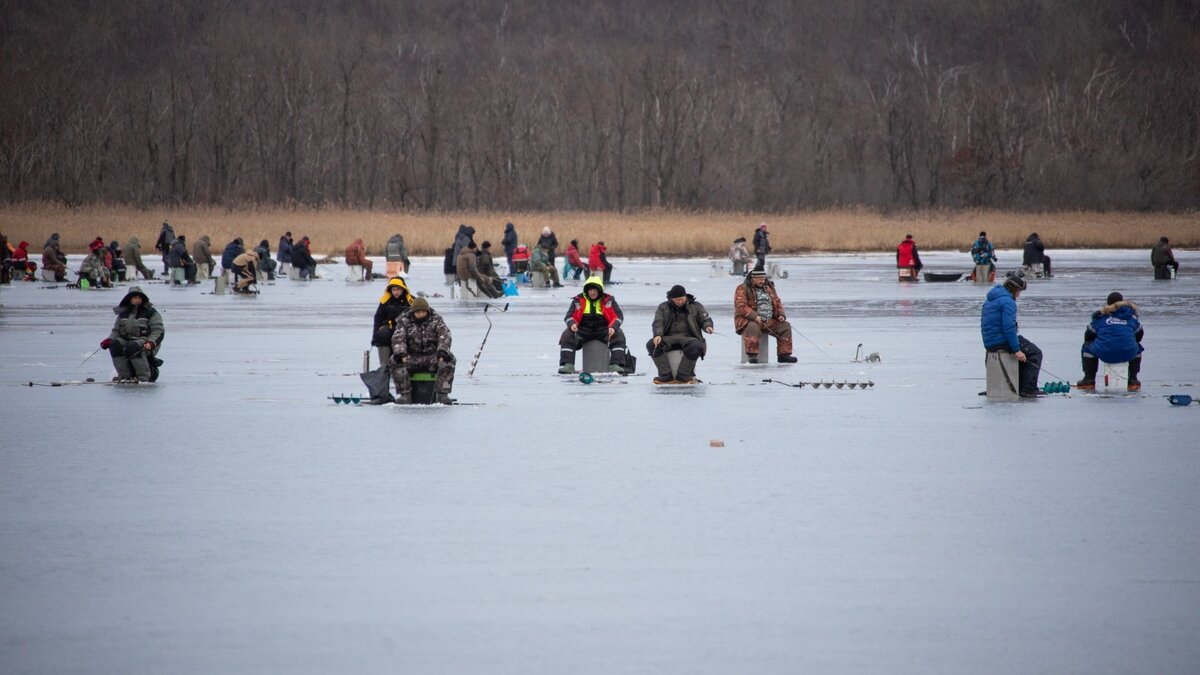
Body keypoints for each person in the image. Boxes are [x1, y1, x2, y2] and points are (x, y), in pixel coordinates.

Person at [981, 274, 1042, 398]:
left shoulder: (991, 299)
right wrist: (1017, 350)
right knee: (1035, 353)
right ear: (1014, 290)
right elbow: (1009, 328)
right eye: (1019, 291)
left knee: (1023, 346)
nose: (1019, 295)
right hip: (1001, 341)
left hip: (989, 342)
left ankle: (1018, 384)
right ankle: (1028, 389)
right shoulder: (1008, 301)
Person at [390, 297, 456, 405]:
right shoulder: (404, 321)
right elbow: (398, 338)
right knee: (394, 360)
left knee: (450, 359)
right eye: (418, 312)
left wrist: (442, 352)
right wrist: (401, 353)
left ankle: (442, 394)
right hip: (412, 357)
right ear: (413, 312)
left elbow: (444, 336)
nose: (421, 314)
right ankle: (405, 395)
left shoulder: (436, 319)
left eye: (423, 312)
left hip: (432, 357)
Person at [558, 276, 629, 374]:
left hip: (604, 331)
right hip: (583, 331)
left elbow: (619, 316)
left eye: (594, 290)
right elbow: (569, 316)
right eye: (590, 290)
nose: (592, 292)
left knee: (619, 334)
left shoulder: (609, 299)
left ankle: (616, 365)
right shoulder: (578, 300)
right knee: (567, 333)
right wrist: (572, 324)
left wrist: (613, 327)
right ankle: (567, 365)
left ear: (599, 290)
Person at [647, 285, 714, 384]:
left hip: (689, 338)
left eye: (682, 299)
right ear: (672, 299)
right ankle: (666, 375)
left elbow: (705, 319)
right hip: (668, 338)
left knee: (697, 346)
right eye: (677, 300)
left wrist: (708, 326)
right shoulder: (663, 307)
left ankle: (683, 375)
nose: (680, 302)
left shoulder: (696, 306)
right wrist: (657, 335)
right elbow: (658, 322)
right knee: (651, 344)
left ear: (685, 297)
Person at [1076, 292, 1143, 391]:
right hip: (1128, 352)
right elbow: (1139, 334)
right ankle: (1133, 380)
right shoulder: (1131, 317)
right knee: (1138, 348)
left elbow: (1089, 334)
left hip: (1104, 352)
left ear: (1108, 303)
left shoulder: (1101, 317)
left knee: (1086, 348)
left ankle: (1089, 380)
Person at [734, 266, 798, 364]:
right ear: (753, 279)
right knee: (752, 327)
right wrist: (755, 317)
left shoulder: (769, 288)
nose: (762, 281)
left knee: (785, 327)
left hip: (769, 320)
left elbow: (777, 302)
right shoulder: (742, 288)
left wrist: (780, 314)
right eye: (760, 279)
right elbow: (741, 306)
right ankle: (752, 356)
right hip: (748, 320)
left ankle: (784, 355)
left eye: (764, 279)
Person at [101, 286, 164, 383]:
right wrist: (109, 339)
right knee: (115, 344)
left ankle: (143, 377)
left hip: (144, 342)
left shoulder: (151, 313)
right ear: (129, 299)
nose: (137, 300)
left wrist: (151, 342)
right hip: (126, 340)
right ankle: (124, 376)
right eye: (135, 298)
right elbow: (116, 330)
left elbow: (158, 330)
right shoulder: (123, 313)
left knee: (133, 346)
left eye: (139, 298)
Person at [372, 276, 414, 363]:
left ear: (403, 289)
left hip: (407, 330)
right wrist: (375, 336)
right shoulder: (385, 302)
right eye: (393, 290)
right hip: (390, 329)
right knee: (382, 334)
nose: (395, 292)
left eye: (398, 289)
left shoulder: (412, 301)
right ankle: (385, 366)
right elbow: (378, 319)